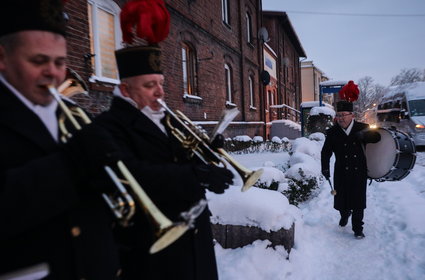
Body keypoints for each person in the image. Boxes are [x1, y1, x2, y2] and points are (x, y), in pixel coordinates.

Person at [90, 1, 234, 279]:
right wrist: (196, 175)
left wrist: (207, 153)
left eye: (161, 83)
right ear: (125, 89)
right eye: (149, 85)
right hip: (155, 251)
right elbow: (133, 174)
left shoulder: (168, 118)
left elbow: (183, 159)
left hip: (195, 240)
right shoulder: (108, 126)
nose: (159, 93)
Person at [0, 0, 123, 279]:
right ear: (3, 58)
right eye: (38, 60)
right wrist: (70, 164)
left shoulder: (73, 115)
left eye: (60, 62)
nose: (54, 73)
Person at [321, 100, 381, 239]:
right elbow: (326, 152)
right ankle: (344, 213)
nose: (340, 118)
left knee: (358, 200)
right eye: (338, 115)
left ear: (352, 115)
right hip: (341, 171)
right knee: (342, 199)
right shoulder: (332, 132)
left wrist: (365, 136)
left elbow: (377, 137)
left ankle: (358, 228)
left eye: (343, 115)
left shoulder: (363, 127)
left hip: (359, 171)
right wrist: (325, 169)